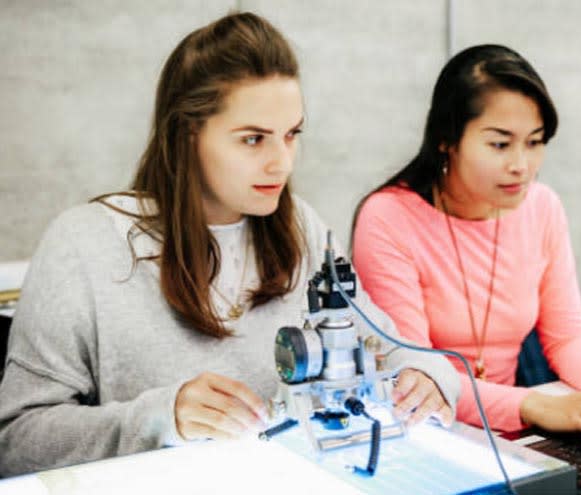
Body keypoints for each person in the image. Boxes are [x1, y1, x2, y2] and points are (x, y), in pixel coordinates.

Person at [0, 12, 458, 477]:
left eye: (291, 134)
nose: (281, 163)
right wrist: (160, 417)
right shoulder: (84, 244)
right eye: (253, 139)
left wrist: (428, 379)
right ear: (187, 135)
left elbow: (388, 345)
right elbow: (16, 441)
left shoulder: (302, 226)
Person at [352, 44, 581, 443]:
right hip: (427, 433)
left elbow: (567, 338)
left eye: (535, 142)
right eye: (500, 144)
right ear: (446, 139)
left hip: (515, 433)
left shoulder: (542, 207)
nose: (521, 165)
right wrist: (534, 406)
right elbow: (414, 373)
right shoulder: (388, 218)